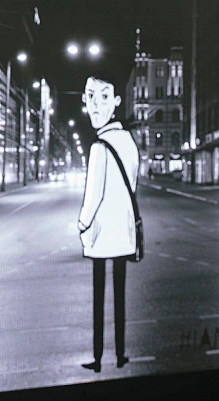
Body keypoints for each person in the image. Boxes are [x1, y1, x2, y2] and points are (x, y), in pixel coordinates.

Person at [78, 72, 140, 373]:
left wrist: (82, 226)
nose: (95, 105)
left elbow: (93, 197)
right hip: (124, 234)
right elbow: (132, 185)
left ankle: (98, 358)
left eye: (103, 97)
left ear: (115, 102)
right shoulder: (129, 142)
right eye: (91, 97)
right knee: (120, 298)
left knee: (99, 298)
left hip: (102, 236)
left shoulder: (99, 146)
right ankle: (120, 355)